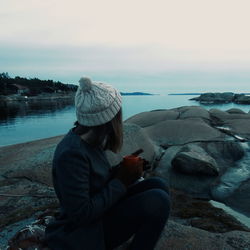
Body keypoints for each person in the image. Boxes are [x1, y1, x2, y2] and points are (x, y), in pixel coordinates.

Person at [44, 77, 170, 250]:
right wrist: (122, 180)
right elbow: (81, 215)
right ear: (109, 118)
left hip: (100, 216)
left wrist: (125, 171)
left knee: (158, 184)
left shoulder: (90, 142)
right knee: (159, 200)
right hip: (82, 234)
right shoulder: (71, 154)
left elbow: (95, 184)